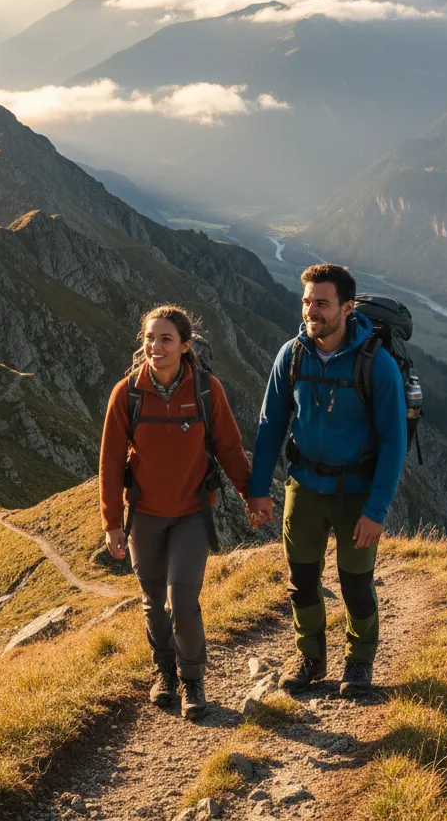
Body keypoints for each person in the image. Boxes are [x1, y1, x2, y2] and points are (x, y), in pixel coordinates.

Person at [246, 264, 406, 696]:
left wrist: (376, 511)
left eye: (321, 303)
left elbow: (394, 442)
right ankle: (311, 659)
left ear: (346, 307)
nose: (310, 311)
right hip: (304, 488)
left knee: (355, 585)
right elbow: (270, 424)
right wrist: (258, 489)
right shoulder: (292, 354)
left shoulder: (377, 365)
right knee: (301, 582)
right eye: (306, 302)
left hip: (356, 494)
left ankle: (359, 662)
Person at [99, 305, 252, 720]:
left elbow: (229, 449)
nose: (155, 346)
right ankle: (164, 673)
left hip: (191, 514)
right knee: (152, 601)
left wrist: (252, 496)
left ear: (186, 346)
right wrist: (112, 522)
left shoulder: (206, 390)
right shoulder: (127, 393)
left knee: (181, 599)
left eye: (166, 339)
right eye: (149, 338)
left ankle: (192, 679)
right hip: (144, 516)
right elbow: (111, 463)